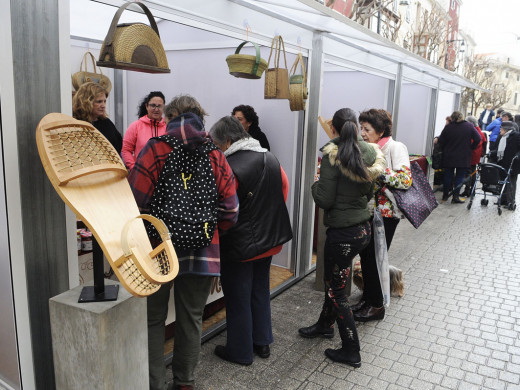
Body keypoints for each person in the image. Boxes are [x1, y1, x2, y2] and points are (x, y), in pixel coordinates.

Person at [128, 95, 239, 390]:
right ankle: (185, 383)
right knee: (190, 318)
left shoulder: (155, 149)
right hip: (201, 250)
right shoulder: (215, 153)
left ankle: (153, 383)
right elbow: (231, 210)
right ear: (199, 117)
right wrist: (211, 232)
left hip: (157, 250)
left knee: (153, 320)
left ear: (171, 116)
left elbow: (135, 202)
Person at [298, 108, 385, 368]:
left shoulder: (332, 155)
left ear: (333, 129)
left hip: (342, 233)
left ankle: (351, 350)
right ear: (357, 127)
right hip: (362, 228)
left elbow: (323, 198)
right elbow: (372, 189)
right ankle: (325, 325)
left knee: (337, 291)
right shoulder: (370, 152)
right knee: (335, 281)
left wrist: (315, 183)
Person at [209, 116, 293, 366]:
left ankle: (240, 351)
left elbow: (225, 210)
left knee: (237, 297)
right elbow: (283, 190)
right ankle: (262, 342)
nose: (216, 149)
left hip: (241, 244)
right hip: (269, 240)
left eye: (216, 144)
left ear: (228, 141)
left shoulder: (229, 166)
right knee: (259, 291)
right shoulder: (270, 157)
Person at [352, 108, 412, 322]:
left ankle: (377, 307)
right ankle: (368, 299)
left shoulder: (395, 148)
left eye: (367, 129)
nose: (363, 133)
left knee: (376, 259)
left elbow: (405, 180)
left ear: (379, 130)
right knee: (367, 258)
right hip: (368, 211)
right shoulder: (369, 148)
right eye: (362, 128)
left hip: (386, 213)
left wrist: (377, 170)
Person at [436, 111, 482, 204]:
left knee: (448, 175)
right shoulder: (469, 126)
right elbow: (478, 138)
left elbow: (441, 140)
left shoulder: (448, 127)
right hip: (463, 156)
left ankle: (445, 195)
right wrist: (471, 147)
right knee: (460, 177)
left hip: (449, 156)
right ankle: (455, 197)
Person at [72, 81, 122, 153]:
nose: (103, 105)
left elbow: (118, 145)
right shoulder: (76, 124)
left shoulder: (106, 122)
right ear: (86, 102)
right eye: (99, 102)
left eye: (104, 101)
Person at [122, 91, 167, 170]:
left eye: (159, 106)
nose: (156, 109)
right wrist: (134, 167)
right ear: (146, 106)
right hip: (142, 174)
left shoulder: (168, 127)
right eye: (153, 105)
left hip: (164, 175)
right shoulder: (135, 126)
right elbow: (126, 150)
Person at [496, 121, 520, 206]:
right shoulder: (501, 137)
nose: (500, 130)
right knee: (503, 181)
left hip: (513, 163)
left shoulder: (516, 136)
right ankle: (503, 200)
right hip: (502, 163)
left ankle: (510, 201)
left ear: (506, 129)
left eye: (501, 128)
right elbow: (498, 149)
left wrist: (517, 156)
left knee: (511, 183)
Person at [461, 116, 485, 197]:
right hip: (476, 156)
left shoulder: (473, 132)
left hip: (471, 156)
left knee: (469, 174)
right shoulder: (480, 132)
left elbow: (471, 143)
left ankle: (467, 191)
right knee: (473, 173)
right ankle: (472, 190)